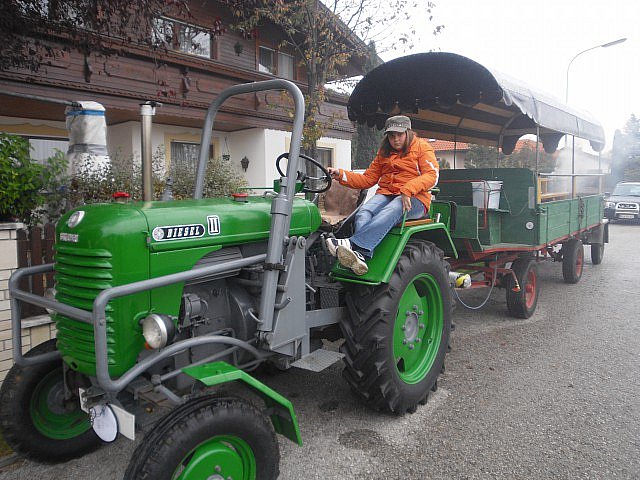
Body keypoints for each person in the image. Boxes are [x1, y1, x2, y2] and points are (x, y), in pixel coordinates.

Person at [325, 115, 439, 275]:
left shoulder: (422, 147)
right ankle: (361, 255)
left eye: (399, 134)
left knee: (392, 208)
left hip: (414, 199)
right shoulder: (384, 152)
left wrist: (408, 189)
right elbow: (367, 179)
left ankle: (354, 245)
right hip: (387, 194)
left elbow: (432, 176)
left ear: (408, 132)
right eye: (392, 135)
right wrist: (341, 175)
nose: (396, 139)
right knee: (364, 212)